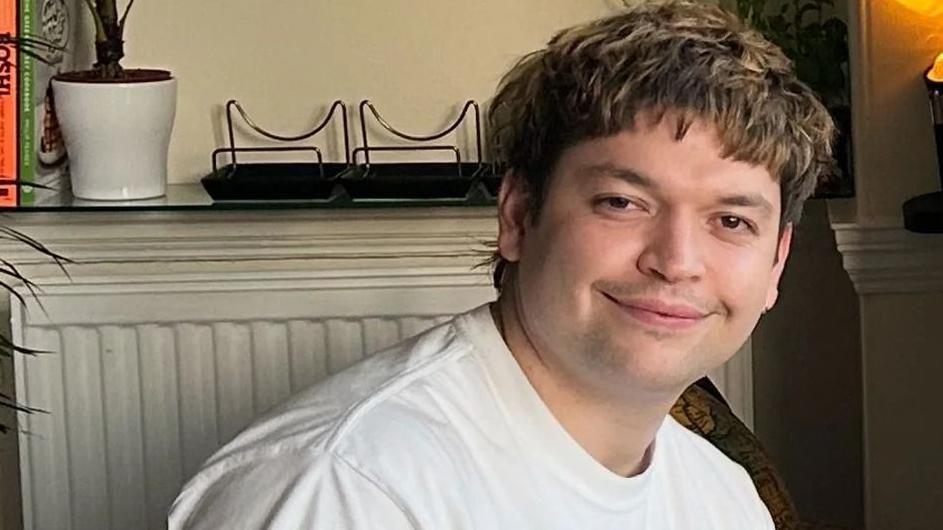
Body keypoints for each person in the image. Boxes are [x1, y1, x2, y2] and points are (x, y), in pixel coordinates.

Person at [169, 1, 834, 528]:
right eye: (622, 202)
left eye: (730, 221)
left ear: (775, 263)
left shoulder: (723, 499)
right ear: (518, 215)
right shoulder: (343, 489)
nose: (676, 261)